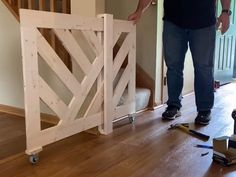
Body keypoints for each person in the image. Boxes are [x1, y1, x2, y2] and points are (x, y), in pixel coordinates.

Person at [128, 0, 231, 125]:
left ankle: (204, 109)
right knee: (173, 66)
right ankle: (173, 105)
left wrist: (225, 12)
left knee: (203, 67)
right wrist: (139, 11)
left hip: (204, 22)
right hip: (173, 21)